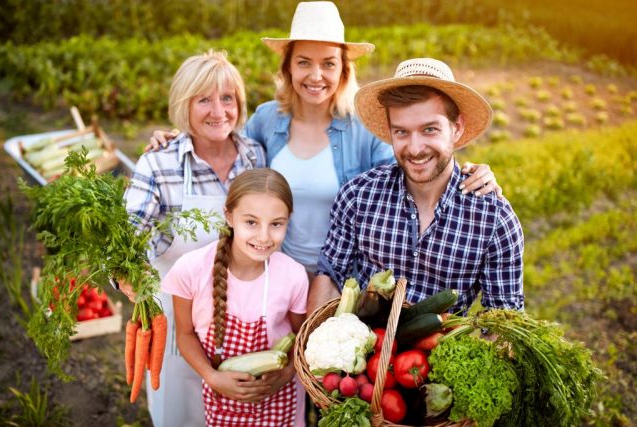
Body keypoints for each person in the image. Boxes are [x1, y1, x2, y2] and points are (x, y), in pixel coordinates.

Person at [148, 1, 502, 277]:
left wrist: (470, 172)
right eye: (304, 62)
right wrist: (180, 136)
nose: (316, 75)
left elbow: (416, 169)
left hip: (342, 278)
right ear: (288, 68)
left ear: (344, 69)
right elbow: (224, 146)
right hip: (273, 272)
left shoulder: (362, 129)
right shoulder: (268, 120)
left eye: (329, 63)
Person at [309, 58, 524, 315]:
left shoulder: (494, 219)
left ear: (457, 128)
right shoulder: (357, 196)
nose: (415, 148)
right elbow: (331, 275)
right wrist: (318, 343)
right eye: (401, 132)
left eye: (429, 129)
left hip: (441, 350)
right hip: (368, 348)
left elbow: (503, 317)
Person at [121, 50, 265, 427]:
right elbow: (129, 240)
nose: (219, 111)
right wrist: (127, 273)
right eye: (204, 99)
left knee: (240, 411)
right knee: (181, 414)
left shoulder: (254, 156)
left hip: (241, 317)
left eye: (227, 98)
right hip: (175, 323)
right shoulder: (160, 163)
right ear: (184, 106)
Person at [162, 168, 309, 426]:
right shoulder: (191, 269)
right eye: (251, 222)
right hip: (222, 396)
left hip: (280, 400)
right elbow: (184, 334)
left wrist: (286, 374)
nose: (264, 236)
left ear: (288, 220)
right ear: (229, 216)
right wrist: (211, 376)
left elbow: (302, 338)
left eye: (276, 224)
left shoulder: (293, 275)